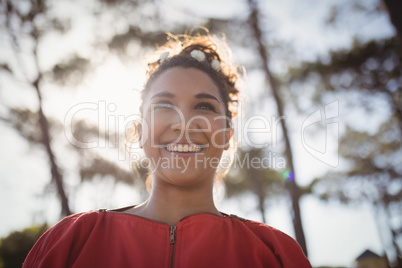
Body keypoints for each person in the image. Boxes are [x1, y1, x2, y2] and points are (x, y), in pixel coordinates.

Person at [23, 30, 311, 268]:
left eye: (204, 106)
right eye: (163, 106)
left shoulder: (276, 254)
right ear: (137, 131)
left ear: (226, 136)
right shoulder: (72, 241)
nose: (184, 123)